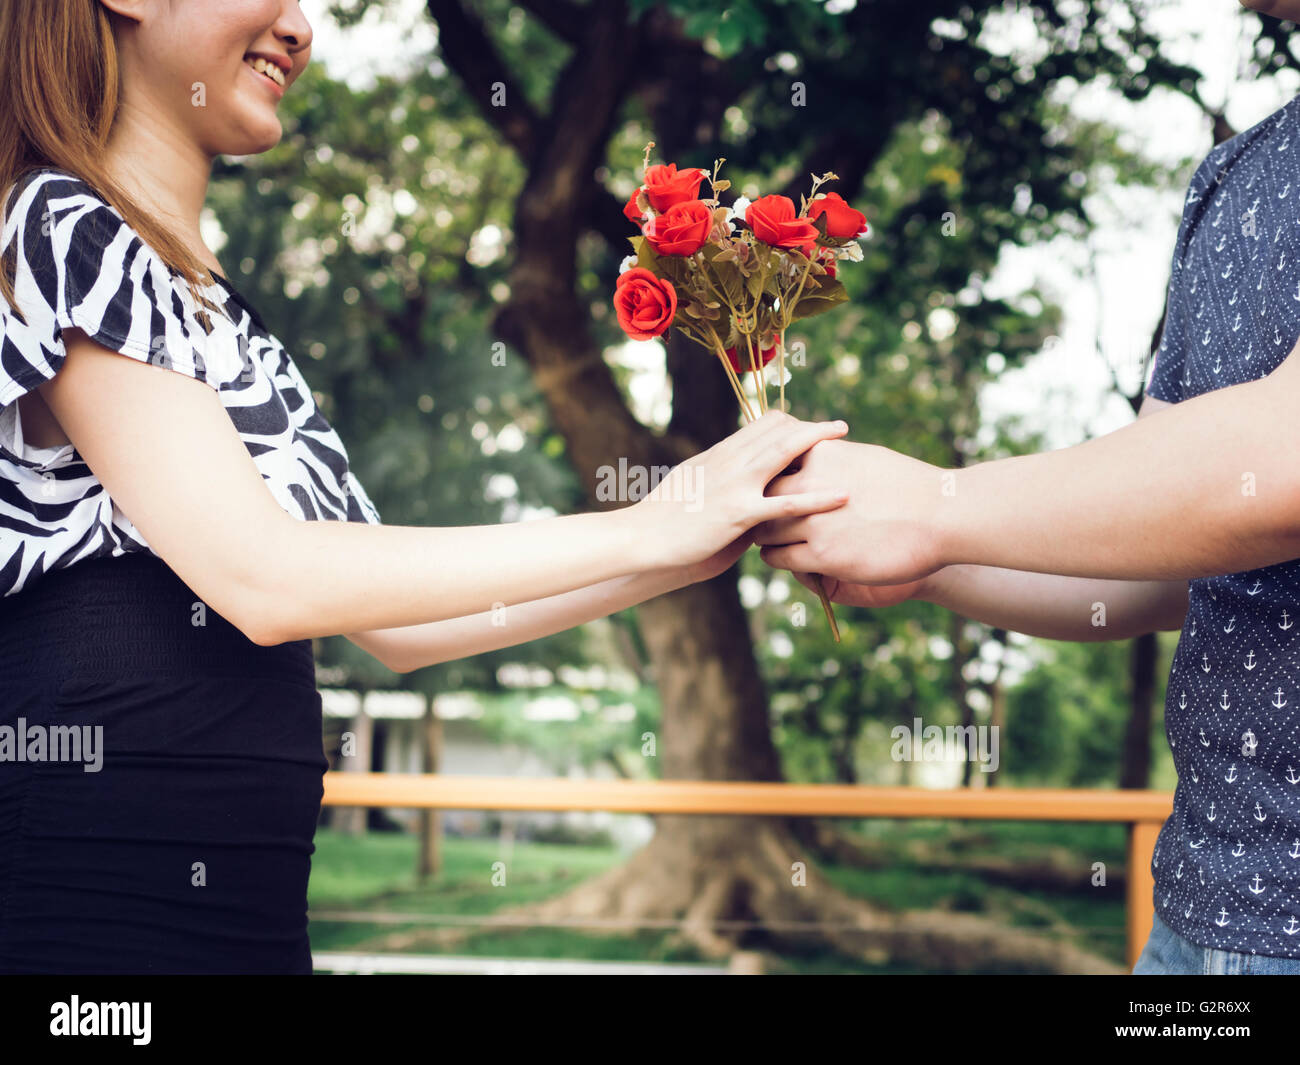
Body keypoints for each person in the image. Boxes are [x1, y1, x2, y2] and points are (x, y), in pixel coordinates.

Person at [0, 0, 851, 974]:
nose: (300, 29)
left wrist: (701, 541)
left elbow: (402, 625)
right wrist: (653, 525)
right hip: (95, 892)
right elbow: (267, 579)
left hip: (246, 896)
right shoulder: (64, 225)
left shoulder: (212, 305)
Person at [755, 24, 1300, 975]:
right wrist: (924, 562)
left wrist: (931, 505)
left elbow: (1281, 466)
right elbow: (1170, 559)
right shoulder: (1230, 175)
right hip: (1197, 920)